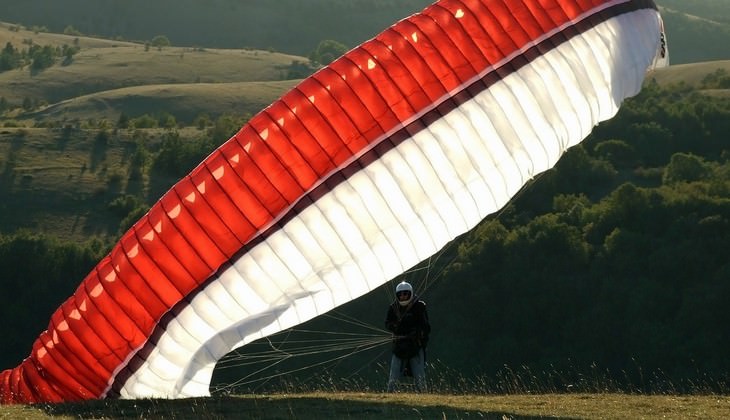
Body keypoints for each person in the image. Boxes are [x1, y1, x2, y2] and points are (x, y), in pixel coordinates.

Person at [385, 281, 430, 392]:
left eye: (405, 294)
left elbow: (426, 327)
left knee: (419, 375)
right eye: (400, 294)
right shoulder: (393, 308)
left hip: (415, 346)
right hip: (400, 347)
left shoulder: (419, 307)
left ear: (410, 293)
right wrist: (394, 326)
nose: (403, 296)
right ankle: (390, 394)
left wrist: (417, 332)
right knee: (394, 375)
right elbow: (387, 323)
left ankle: (422, 394)